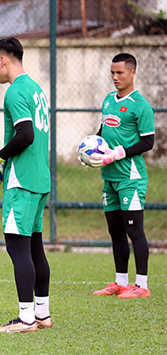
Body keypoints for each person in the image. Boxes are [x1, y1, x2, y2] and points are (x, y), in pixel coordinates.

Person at [0, 37, 51, 333]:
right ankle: (42, 314)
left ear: (3, 59)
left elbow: (25, 135)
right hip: (41, 178)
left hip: (23, 181)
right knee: (35, 248)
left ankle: (26, 319)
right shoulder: (35, 88)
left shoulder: (15, 91)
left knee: (17, 248)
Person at [85, 53, 154, 299]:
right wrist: (90, 151)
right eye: (112, 73)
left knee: (134, 230)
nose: (115, 77)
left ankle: (142, 286)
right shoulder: (107, 101)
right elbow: (103, 131)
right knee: (115, 231)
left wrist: (118, 153)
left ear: (132, 73)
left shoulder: (141, 105)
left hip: (130, 178)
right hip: (110, 177)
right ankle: (121, 282)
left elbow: (148, 142)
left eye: (120, 73)